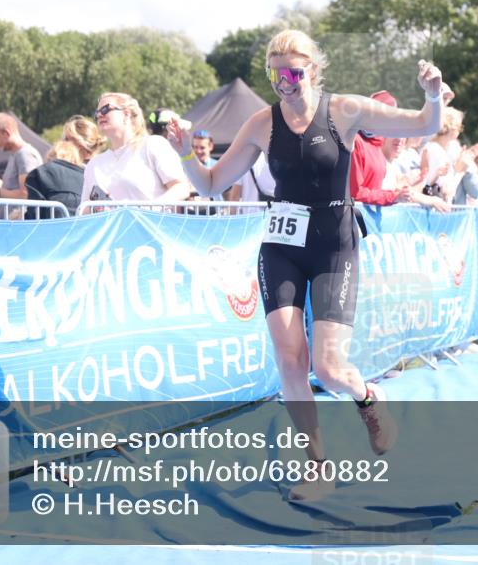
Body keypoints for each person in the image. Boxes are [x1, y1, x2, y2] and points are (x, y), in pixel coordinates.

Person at [167, 29, 446, 501]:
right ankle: (318, 466)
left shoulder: (345, 110)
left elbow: (421, 124)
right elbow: (213, 184)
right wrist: (181, 152)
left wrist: (433, 95)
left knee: (331, 368)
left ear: (313, 70)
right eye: (276, 74)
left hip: (334, 245)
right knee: (290, 360)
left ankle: (368, 401)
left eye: (294, 72)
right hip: (281, 248)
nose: (285, 83)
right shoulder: (261, 123)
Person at [80, 92, 191, 205]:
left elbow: (181, 188)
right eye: (96, 113)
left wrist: (148, 211)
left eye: (105, 109)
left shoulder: (153, 145)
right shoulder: (94, 164)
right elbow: (84, 209)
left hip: (150, 222)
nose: (99, 115)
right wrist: (98, 209)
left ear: (126, 114)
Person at [351, 90, 450, 211]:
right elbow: (355, 193)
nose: (399, 138)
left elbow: (428, 126)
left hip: (373, 222)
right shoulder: (357, 141)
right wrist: (394, 196)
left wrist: (423, 177)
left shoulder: (376, 143)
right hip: (357, 220)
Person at [0, 112, 44, 219]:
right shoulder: (16, 155)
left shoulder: (25, 155)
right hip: (12, 225)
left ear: (7, 133)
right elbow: (15, 188)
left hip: (19, 227)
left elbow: (26, 194)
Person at [24, 140, 85, 218]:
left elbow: (34, 214)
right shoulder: (85, 175)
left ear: (51, 155)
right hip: (83, 227)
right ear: (75, 158)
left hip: (51, 227)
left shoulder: (39, 173)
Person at [419, 107, 463, 200]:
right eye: (460, 127)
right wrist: (461, 171)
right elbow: (446, 191)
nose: (460, 131)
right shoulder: (435, 150)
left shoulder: (435, 148)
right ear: (452, 128)